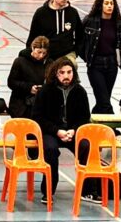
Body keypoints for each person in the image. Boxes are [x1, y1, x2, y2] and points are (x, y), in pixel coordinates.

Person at [35, 56, 90, 190]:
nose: (66, 76)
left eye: (69, 72)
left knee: (86, 146)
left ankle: (87, 189)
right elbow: (37, 117)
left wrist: (74, 129)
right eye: (62, 72)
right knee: (51, 150)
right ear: (56, 73)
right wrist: (56, 131)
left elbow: (84, 117)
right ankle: (48, 190)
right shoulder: (45, 90)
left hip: (71, 132)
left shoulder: (80, 91)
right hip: (51, 132)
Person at [80, 0, 121, 115]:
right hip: (95, 65)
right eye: (106, 3)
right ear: (100, 5)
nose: (109, 6)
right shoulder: (90, 21)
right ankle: (111, 127)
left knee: (103, 99)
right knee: (105, 100)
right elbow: (80, 41)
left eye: (112, 3)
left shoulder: (120, 23)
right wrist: (87, 57)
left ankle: (93, 123)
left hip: (112, 65)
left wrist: (116, 58)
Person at [30, 0, 83, 64]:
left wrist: (75, 52)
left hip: (67, 54)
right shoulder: (41, 13)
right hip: (46, 54)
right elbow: (33, 36)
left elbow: (80, 35)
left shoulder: (73, 13)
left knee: (71, 65)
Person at [7, 35, 51, 122]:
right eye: (39, 52)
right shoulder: (20, 61)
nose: (41, 56)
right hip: (21, 102)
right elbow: (11, 82)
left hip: (40, 101)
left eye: (44, 53)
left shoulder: (49, 63)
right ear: (33, 48)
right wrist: (29, 88)